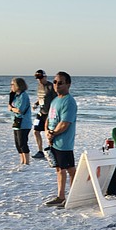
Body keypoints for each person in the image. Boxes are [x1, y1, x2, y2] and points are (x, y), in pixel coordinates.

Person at [44, 72, 78, 207]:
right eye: (55, 82)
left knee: (70, 169)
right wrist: (47, 132)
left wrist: (53, 133)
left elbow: (65, 123)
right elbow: (49, 119)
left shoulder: (69, 101)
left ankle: (73, 196)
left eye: (60, 82)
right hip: (54, 140)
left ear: (68, 84)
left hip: (64, 143)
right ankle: (60, 196)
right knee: (59, 169)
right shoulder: (55, 100)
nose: (56, 85)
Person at [31, 69, 56, 159]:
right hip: (41, 112)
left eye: (41, 78)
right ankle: (40, 151)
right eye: (38, 78)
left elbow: (56, 99)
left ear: (45, 77)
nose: (39, 80)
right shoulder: (39, 86)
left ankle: (51, 150)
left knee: (48, 133)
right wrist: (36, 104)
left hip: (49, 114)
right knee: (35, 131)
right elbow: (41, 98)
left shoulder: (51, 86)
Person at [8, 78, 33, 166]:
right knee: (17, 144)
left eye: (13, 85)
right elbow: (10, 106)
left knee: (22, 142)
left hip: (24, 123)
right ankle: (22, 161)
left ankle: (27, 162)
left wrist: (12, 109)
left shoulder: (23, 96)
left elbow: (20, 110)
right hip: (16, 122)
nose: (11, 86)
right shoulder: (15, 96)